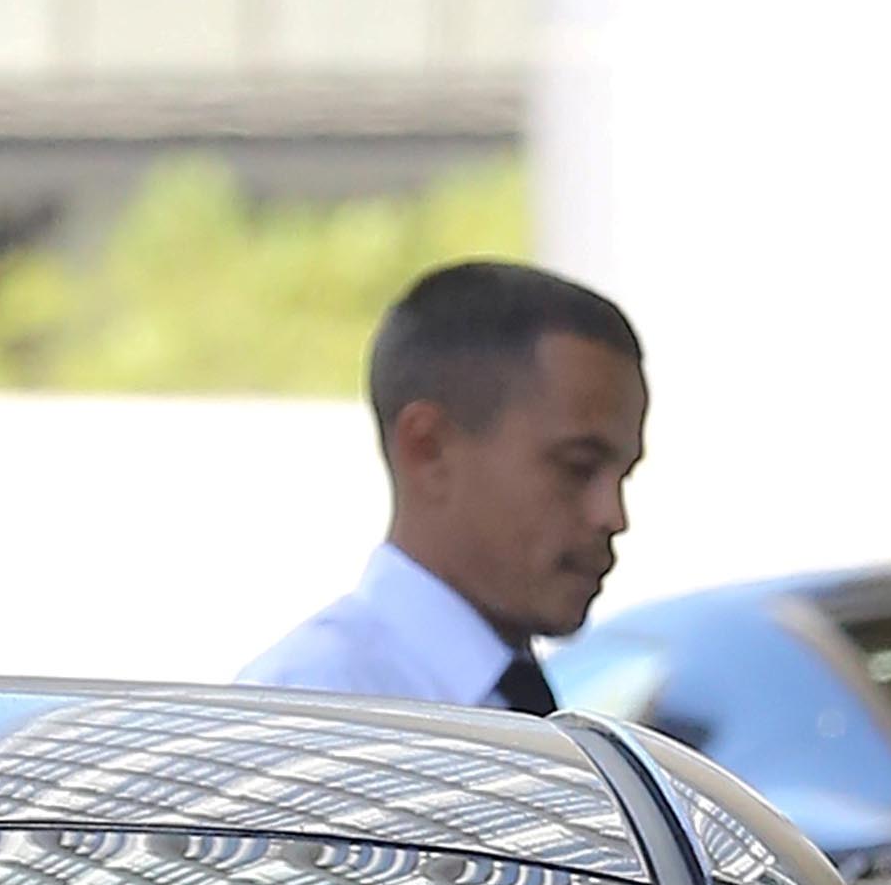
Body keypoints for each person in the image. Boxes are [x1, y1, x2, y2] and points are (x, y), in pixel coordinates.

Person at [239, 259, 646, 712]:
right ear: (428, 448)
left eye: (623, 475)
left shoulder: (521, 699)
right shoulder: (312, 710)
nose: (613, 515)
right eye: (578, 467)